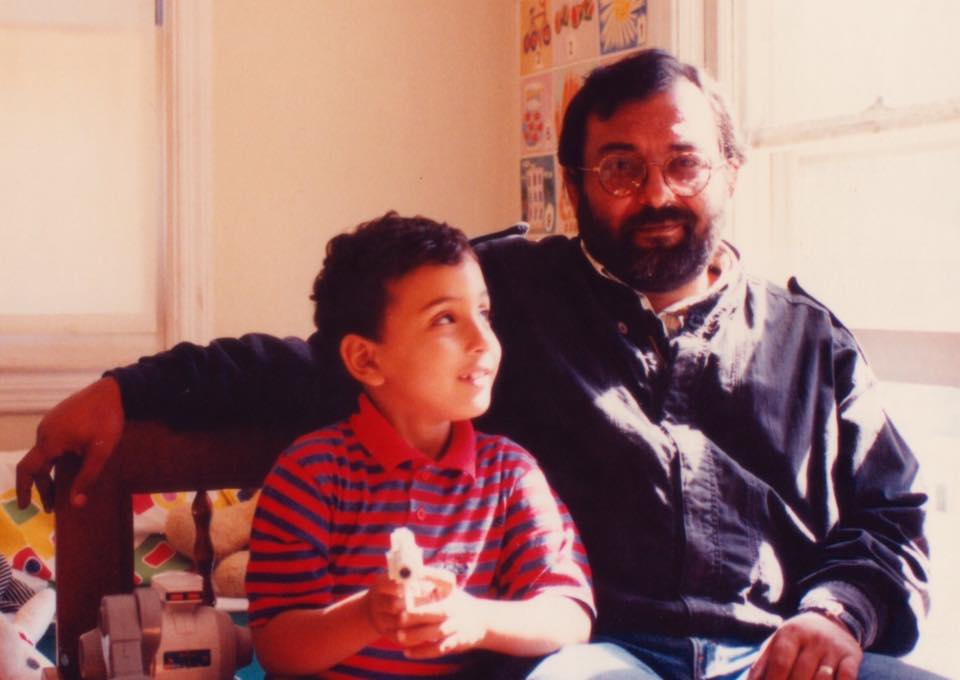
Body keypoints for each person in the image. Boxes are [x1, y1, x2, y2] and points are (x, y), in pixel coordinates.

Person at [18, 50, 937, 679]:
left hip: (777, 650)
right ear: (574, 188)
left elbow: (892, 516)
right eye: (619, 169)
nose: (657, 193)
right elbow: (317, 359)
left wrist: (837, 613)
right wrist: (128, 390)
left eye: (685, 164)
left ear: (731, 170)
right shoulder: (509, 300)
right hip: (597, 653)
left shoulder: (811, 341)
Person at [243, 213, 593, 677]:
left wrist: (478, 619)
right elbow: (276, 649)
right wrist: (366, 615)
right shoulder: (311, 473)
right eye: (446, 319)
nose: (483, 340)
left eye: (484, 314)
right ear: (366, 358)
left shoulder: (511, 474)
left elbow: (569, 615)